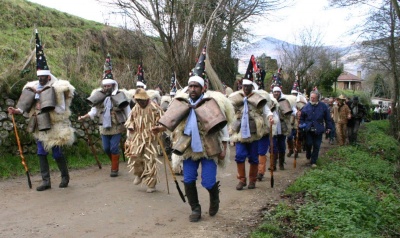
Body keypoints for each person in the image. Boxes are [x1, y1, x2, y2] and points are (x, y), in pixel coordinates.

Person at [152, 49, 234, 222]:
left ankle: (214, 197)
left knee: (208, 181)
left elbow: (222, 127)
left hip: (208, 146)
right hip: (188, 147)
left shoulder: (212, 103)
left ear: (203, 87)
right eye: (190, 86)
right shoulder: (181, 103)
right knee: (188, 180)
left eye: (196, 86)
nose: (193, 89)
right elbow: (170, 121)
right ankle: (195, 209)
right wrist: (159, 129)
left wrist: (224, 147)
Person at [8, 29, 75, 191]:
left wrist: (46, 104)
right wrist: (16, 111)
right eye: (39, 77)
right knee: (40, 152)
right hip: (39, 124)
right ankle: (46, 181)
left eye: (43, 77)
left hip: (55, 125)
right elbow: (26, 108)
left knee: (57, 153)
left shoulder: (57, 88)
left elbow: (61, 108)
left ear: (48, 76)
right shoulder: (32, 88)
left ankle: (65, 177)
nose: (40, 79)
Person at [78, 54, 131, 177]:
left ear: (113, 85)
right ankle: (114, 161)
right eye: (105, 85)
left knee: (113, 147)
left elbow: (127, 111)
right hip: (104, 125)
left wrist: (130, 123)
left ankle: (114, 169)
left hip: (116, 125)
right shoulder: (99, 97)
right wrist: (84, 117)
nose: (107, 87)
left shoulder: (120, 95)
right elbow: (94, 111)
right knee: (106, 148)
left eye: (109, 85)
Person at [229, 56, 267, 190]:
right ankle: (241, 180)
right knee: (239, 156)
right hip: (240, 131)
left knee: (253, 158)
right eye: (244, 86)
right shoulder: (235, 97)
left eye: (248, 86)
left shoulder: (258, 98)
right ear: (241, 86)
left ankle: (252, 180)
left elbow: (266, 110)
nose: (246, 88)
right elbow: (228, 111)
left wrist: (270, 117)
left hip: (254, 131)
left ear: (252, 86)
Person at [124, 88, 163, 193]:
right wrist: (131, 126)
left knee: (150, 161)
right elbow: (129, 120)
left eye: (141, 100)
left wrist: (159, 128)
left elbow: (164, 121)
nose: (139, 102)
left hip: (151, 138)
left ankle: (151, 184)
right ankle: (139, 174)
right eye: (137, 100)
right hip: (137, 137)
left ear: (146, 99)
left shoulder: (155, 108)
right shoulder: (135, 108)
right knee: (134, 156)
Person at [299, 91, 333, 168]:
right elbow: (302, 118)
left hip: (318, 129)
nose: (312, 99)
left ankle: (313, 161)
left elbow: (327, 118)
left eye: (314, 98)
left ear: (318, 98)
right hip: (308, 129)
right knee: (309, 144)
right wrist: (301, 125)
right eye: (311, 97)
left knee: (317, 145)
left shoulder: (323, 106)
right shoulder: (306, 106)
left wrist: (328, 127)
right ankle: (308, 154)